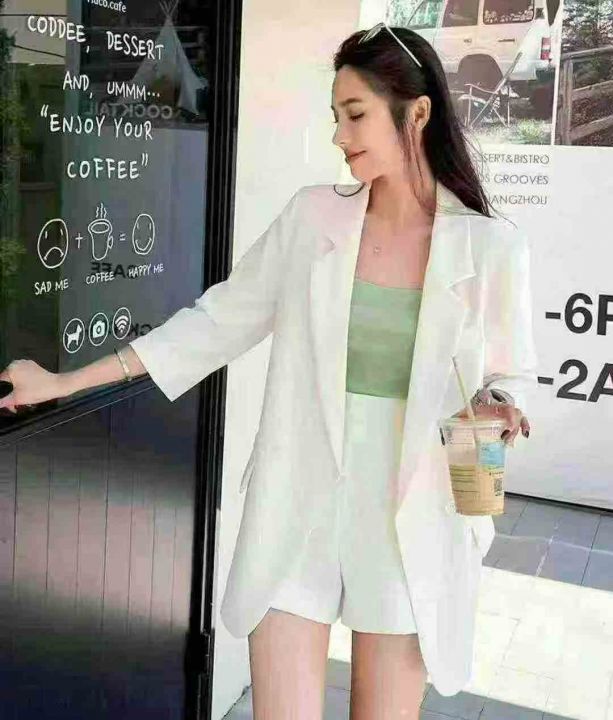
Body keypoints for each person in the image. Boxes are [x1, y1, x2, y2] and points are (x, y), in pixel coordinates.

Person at [0, 23, 537, 720]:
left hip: (412, 523)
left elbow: (507, 375)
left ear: (417, 113)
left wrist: (499, 404)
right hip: (297, 511)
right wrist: (64, 382)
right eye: (335, 116)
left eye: (355, 115)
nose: (339, 136)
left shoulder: (490, 247)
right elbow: (215, 322)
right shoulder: (312, 218)